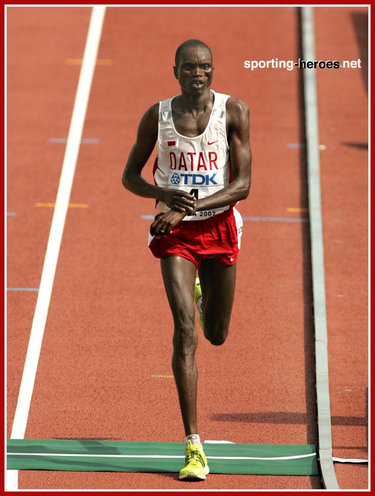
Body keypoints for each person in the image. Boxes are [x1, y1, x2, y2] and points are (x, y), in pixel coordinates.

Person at [122, 39, 252, 481]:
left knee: (214, 334)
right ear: (175, 70)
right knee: (183, 331)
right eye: (190, 67)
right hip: (175, 235)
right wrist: (162, 197)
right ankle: (193, 445)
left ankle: (203, 298)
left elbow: (243, 186)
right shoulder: (156, 116)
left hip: (218, 228)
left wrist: (189, 205)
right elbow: (129, 177)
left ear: (213, 71)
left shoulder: (233, 112)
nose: (199, 73)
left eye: (206, 67)